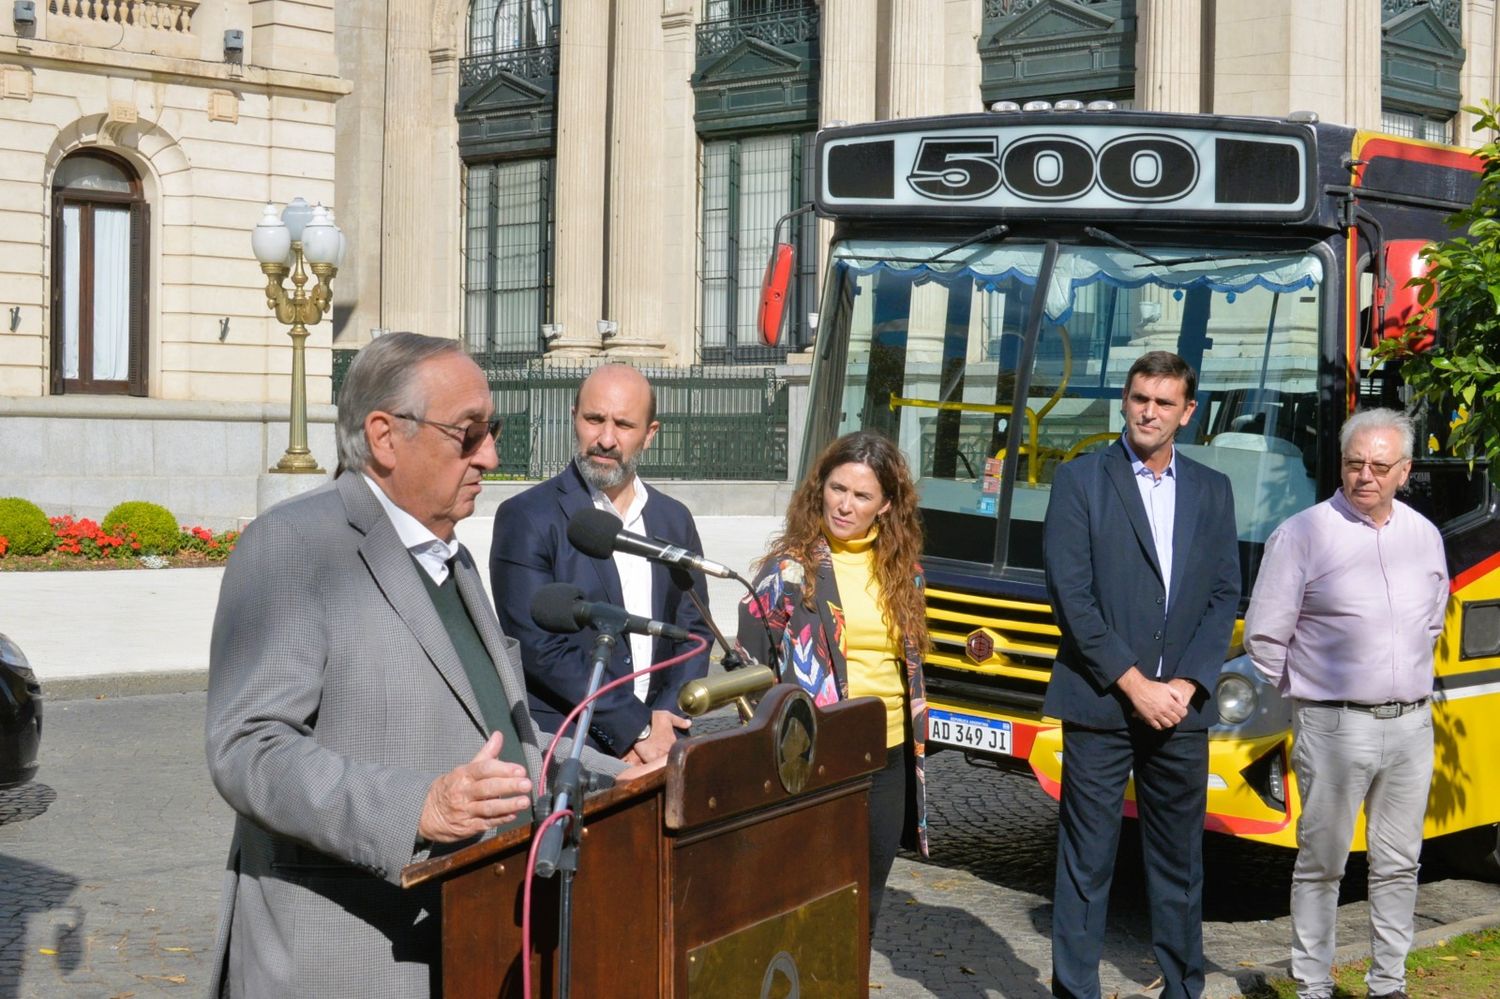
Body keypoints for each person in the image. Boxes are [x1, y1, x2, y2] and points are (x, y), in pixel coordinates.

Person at [204, 333, 639, 998]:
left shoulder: (452, 557)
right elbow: (247, 749)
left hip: (471, 939)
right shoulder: (294, 544)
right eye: (468, 434)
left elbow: (498, 737)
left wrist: (634, 774)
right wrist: (418, 807)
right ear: (384, 436)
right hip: (344, 958)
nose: (490, 455)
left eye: (491, 430)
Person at [1042, 350, 1241, 999]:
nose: (1148, 411)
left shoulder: (1213, 489)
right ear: (1125, 402)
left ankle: (1184, 988)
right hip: (1101, 702)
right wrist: (1135, 683)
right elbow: (1073, 598)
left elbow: (1222, 594)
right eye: (1138, 398)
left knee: (1180, 866)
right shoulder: (1080, 481)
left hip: (1180, 710)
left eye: (1163, 402)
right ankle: (1076, 991)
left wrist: (1186, 683)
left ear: (1187, 411)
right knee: (1085, 865)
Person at [1244, 408, 1447, 999]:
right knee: (1322, 862)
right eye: (1355, 463)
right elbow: (1265, 637)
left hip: (1411, 724)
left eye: (1380, 466)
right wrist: (1314, 698)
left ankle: (1389, 983)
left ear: (1404, 471)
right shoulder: (1303, 533)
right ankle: (1312, 984)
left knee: (1399, 863)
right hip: (1334, 725)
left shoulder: (1423, 535)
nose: (1366, 476)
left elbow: (1429, 621)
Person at [736, 430, 929, 933]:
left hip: (888, 752)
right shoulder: (788, 571)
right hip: (818, 754)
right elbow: (747, 673)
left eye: (862, 495)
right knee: (811, 895)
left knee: (866, 898)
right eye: (837, 488)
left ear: (886, 505)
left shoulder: (902, 572)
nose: (844, 505)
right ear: (820, 487)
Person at [490, 364, 711, 762]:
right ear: (575, 415)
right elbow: (539, 646)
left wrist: (667, 717)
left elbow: (694, 630)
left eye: (624, 425)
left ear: (650, 434)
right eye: (594, 419)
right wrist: (635, 730)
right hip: (570, 749)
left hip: (666, 745)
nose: (605, 439)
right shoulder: (526, 517)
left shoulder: (673, 519)